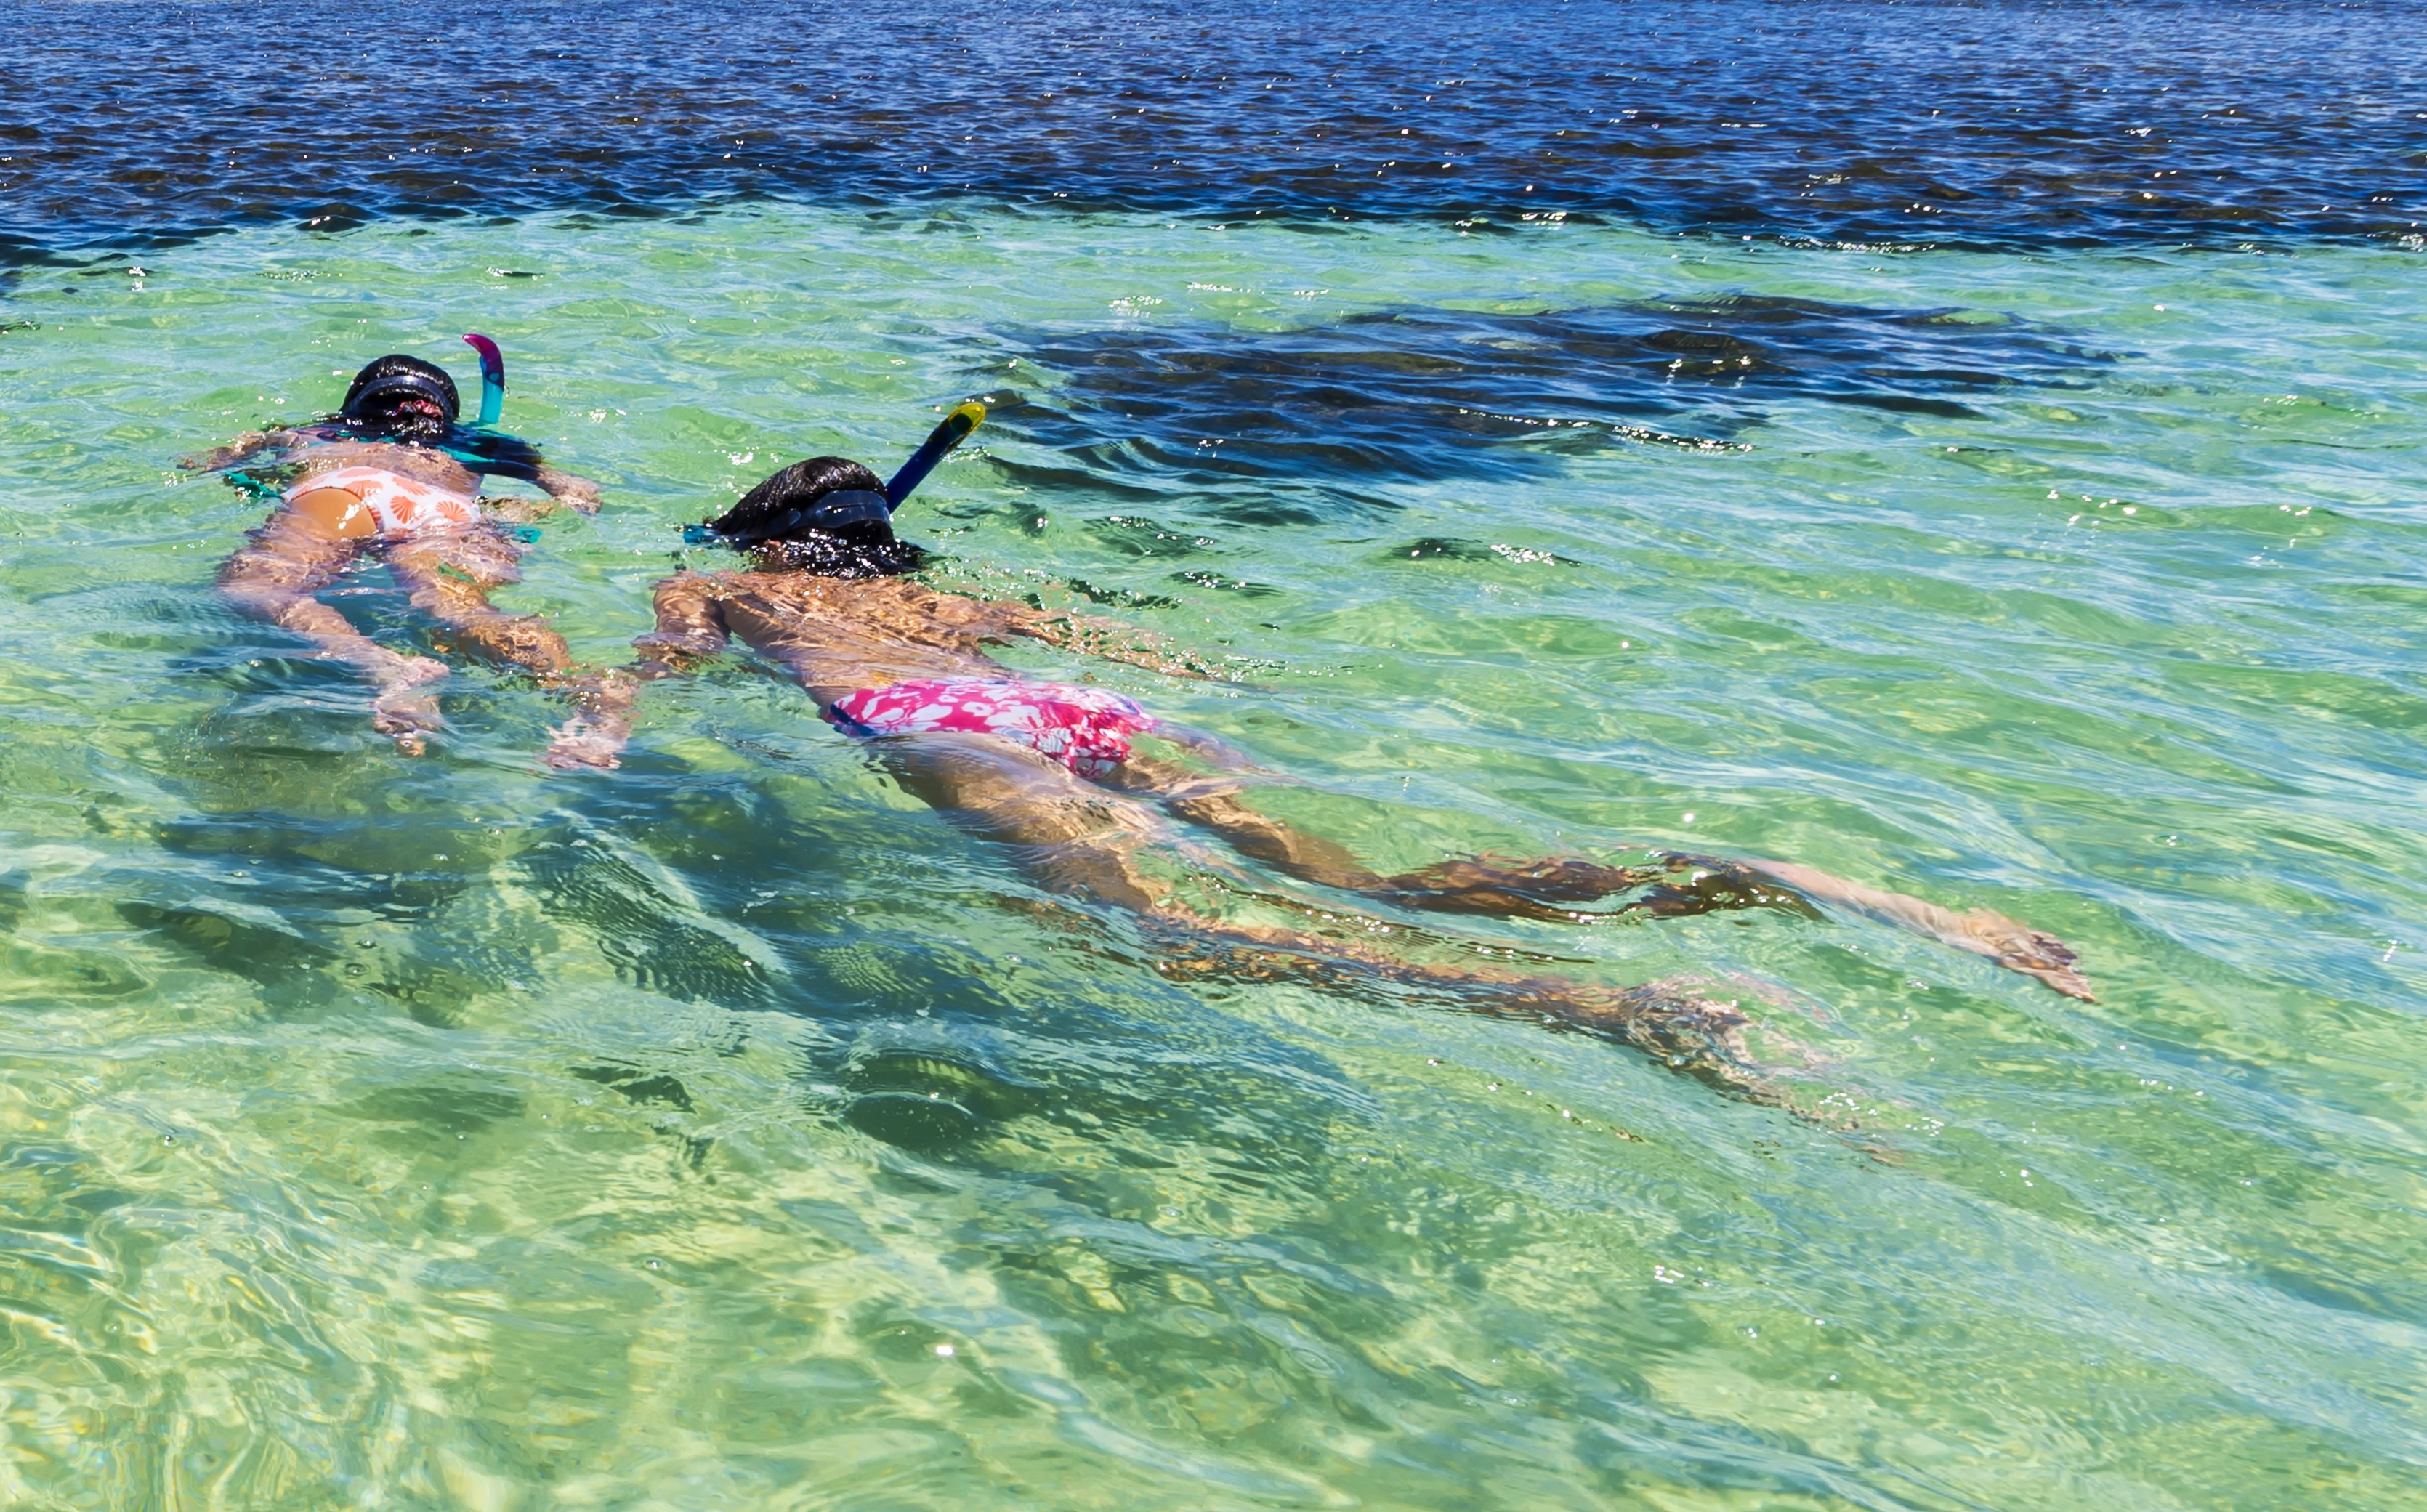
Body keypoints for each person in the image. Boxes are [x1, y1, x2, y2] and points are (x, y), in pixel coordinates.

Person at [634, 456, 2093, 1093]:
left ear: (765, 537)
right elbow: (1137, 646)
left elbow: (655, 665)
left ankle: (1599, 1005)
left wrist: (598, 716)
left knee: (1153, 933)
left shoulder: (738, 587)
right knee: (1376, 879)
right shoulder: (961, 598)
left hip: (929, 718)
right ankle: (1746, 882)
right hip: (1076, 707)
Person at [186, 352, 630, 765]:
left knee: (257, 586)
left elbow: (215, 461)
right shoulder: (479, 442)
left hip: (345, 491)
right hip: (442, 511)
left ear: (355, 403)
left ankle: (385, 666)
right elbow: (578, 491)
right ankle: (590, 690)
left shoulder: (307, 432)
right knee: (463, 611)